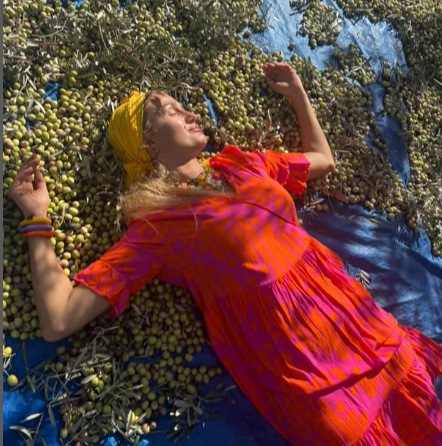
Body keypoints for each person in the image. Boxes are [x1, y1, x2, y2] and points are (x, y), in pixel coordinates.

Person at [9, 63, 442, 444]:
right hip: (308, 372)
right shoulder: (160, 224)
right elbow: (59, 319)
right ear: (147, 146)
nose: (190, 112)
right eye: (169, 110)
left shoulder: (240, 164)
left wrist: (298, 94)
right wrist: (37, 219)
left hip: (363, 328)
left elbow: (321, 160)